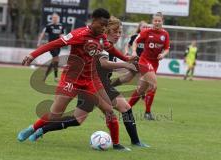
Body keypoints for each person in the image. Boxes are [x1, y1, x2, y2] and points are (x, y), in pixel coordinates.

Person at [24, 16, 149, 150]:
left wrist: (131, 70)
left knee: (88, 117)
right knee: (78, 118)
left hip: (102, 84)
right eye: (116, 31)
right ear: (107, 30)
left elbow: (121, 76)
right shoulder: (100, 43)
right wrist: (126, 64)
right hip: (91, 83)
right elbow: (104, 63)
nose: (119, 35)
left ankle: (130, 142)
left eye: (120, 32)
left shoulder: (108, 45)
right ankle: (40, 129)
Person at [127, 12, 170, 120]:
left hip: (155, 63)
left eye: (159, 21)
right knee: (154, 85)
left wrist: (163, 54)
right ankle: (147, 113)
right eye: (155, 20)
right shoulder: (147, 32)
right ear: (152, 21)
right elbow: (135, 42)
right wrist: (134, 52)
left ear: (162, 21)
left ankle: (127, 108)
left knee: (142, 89)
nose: (157, 22)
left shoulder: (165, 34)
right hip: (144, 61)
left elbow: (167, 48)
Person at [37, 13, 65, 82]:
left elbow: (62, 35)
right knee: (56, 59)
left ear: (58, 18)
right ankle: (56, 77)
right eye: (53, 18)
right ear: (52, 18)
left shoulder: (61, 26)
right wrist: (39, 42)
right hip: (51, 45)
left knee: (54, 61)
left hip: (58, 46)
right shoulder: (49, 26)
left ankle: (45, 76)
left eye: (56, 18)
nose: (55, 19)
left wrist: (64, 41)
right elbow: (42, 34)